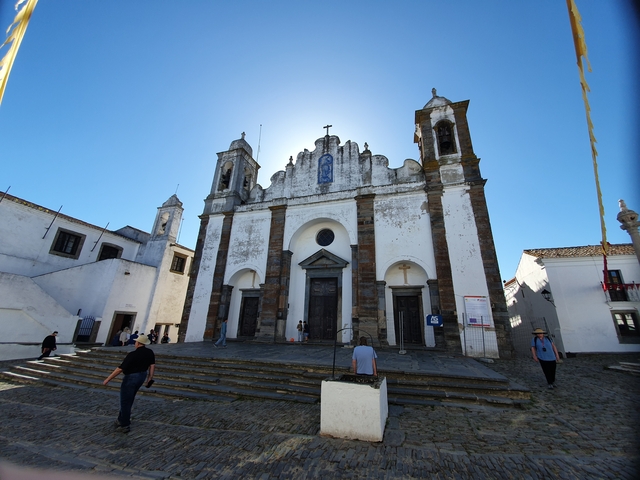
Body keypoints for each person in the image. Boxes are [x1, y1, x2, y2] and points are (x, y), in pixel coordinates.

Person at [103, 334, 155, 433]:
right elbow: (152, 365)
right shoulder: (150, 352)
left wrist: (108, 379)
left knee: (125, 400)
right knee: (129, 398)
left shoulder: (132, 355)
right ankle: (121, 419)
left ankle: (125, 424)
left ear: (138, 343)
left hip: (131, 377)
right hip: (142, 376)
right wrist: (150, 378)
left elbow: (120, 369)